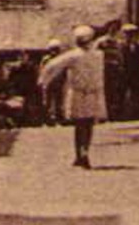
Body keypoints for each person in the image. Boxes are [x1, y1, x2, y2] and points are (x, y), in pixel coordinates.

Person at [40, 25, 109, 168]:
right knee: (88, 124)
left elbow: (52, 66)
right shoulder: (98, 55)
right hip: (93, 92)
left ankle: (80, 154)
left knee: (80, 124)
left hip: (79, 92)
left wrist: (44, 80)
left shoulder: (73, 55)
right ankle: (84, 152)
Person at [39, 37, 67, 125]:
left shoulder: (62, 59)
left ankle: (59, 117)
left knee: (59, 101)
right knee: (47, 101)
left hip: (58, 83)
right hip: (49, 83)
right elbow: (42, 71)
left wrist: (64, 80)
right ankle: (46, 118)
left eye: (56, 49)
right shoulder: (46, 59)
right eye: (52, 49)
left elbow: (64, 70)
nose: (54, 51)